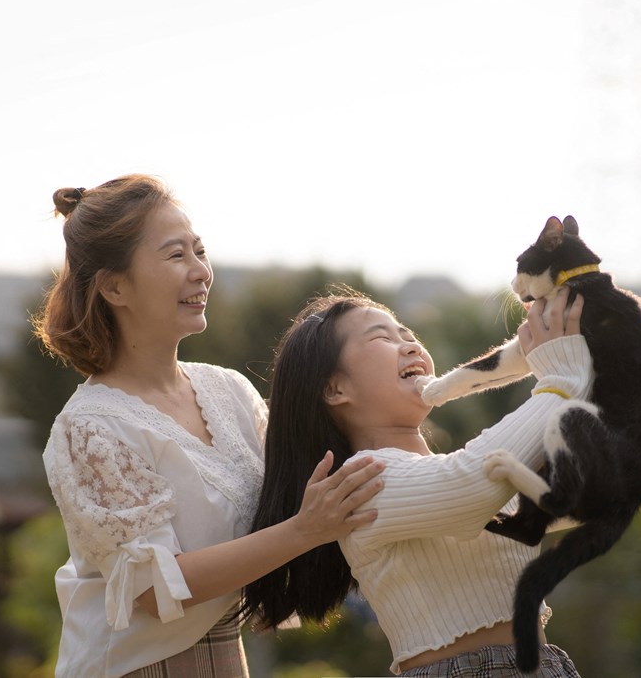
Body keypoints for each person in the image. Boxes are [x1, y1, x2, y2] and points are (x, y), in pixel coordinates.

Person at [34, 174, 386, 677]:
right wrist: (306, 529)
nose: (201, 272)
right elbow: (157, 592)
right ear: (114, 286)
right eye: (176, 256)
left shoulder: (230, 393)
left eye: (200, 251)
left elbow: (298, 499)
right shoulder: (90, 427)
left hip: (225, 660)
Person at [242, 288, 592, 677]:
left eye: (408, 334)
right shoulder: (364, 480)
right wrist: (560, 378)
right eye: (382, 337)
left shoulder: (440, 474)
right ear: (334, 389)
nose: (409, 345)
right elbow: (469, 489)